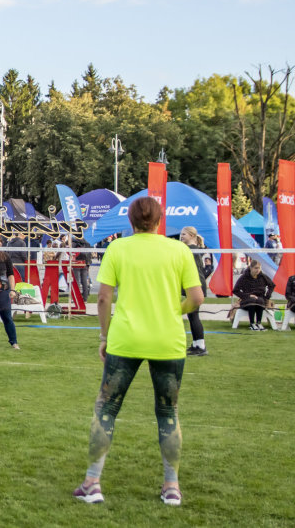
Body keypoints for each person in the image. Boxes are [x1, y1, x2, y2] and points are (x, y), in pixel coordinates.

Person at [73, 197, 203, 506]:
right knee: (168, 412)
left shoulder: (117, 248)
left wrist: (103, 336)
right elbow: (197, 298)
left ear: (130, 221)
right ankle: (172, 487)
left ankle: (93, 482)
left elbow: (103, 298)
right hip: (167, 341)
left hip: (125, 339)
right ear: (160, 221)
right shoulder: (180, 250)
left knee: (106, 409)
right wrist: (176, 310)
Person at [180, 226, 208, 355]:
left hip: (196, 284)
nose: (181, 236)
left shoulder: (190, 250)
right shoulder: (191, 249)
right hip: (193, 283)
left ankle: (201, 346)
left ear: (192, 235)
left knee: (194, 315)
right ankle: (196, 344)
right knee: (192, 315)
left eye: (184, 234)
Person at [233, 259, 275, 331]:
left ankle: (259, 323)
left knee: (260, 300)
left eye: (259, 268)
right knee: (252, 300)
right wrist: (248, 295)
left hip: (260, 299)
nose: (257, 270)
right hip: (246, 301)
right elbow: (235, 290)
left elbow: (272, 285)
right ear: (251, 268)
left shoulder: (263, 277)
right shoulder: (244, 277)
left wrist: (267, 297)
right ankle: (252, 323)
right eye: (256, 268)